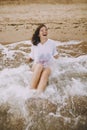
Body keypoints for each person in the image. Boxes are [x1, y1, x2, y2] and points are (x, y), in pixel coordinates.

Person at [27, 24, 58, 93]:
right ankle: (30, 92)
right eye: (42, 30)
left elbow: (56, 55)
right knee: (39, 65)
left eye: (46, 30)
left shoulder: (52, 43)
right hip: (37, 66)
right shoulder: (35, 44)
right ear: (38, 34)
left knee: (45, 72)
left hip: (48, 66)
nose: (45, 31)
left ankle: (38, 95)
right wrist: (26, 64)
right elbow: (31, 57)